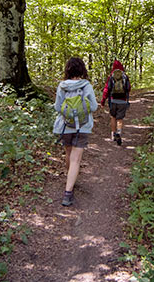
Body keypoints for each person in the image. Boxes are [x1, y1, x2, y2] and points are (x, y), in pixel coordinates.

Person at [53, 57, 98, 206]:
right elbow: (93, 107)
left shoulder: (62, 86)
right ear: (82, 70)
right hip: (82, 127)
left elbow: (58, 107)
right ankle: (68, 193)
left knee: (68, 154)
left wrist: (69, 113)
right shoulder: (86, 86)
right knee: (76, 159)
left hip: (65, 126)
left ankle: (70, 181)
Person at [100, 59, 131, 146]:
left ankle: (113, 134)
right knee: (120, 119)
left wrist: (103, 101)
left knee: (113, 117)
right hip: (123, 101)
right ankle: (119, 133)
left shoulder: (111, 76)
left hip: (113, 101)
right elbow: (128, 88)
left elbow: (106, 90)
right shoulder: (125, 76)